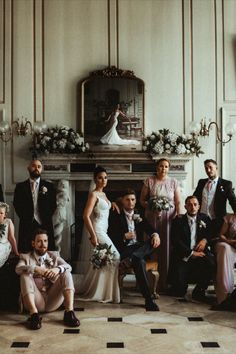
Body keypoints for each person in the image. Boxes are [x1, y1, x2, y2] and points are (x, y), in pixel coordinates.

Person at [15, 229, 80, 330]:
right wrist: (35, 268)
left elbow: (69, 266)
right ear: (33, 243)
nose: (43, 244)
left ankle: (69, 313)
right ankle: (34, 316)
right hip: (36, 301)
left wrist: (57, 269)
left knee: (66, 272)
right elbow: (18, 269)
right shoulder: (26, 257)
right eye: (39, 241)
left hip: (52, 300)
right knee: (24, 275)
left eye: (45, 241)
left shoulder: (54, 255)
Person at [109, 189, 160, 311]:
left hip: (139, 248)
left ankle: (134, 257)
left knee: (152, 242)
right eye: (127, 199)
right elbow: (109, 235)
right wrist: (123, 236)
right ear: (123, 201)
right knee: (140, 262)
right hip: (125, 249)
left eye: (133, 199)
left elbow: (149, 228)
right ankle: (148, 299)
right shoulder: (116, 215)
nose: (130, 202)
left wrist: (155, 234)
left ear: (136, 201)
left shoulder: (139, 214)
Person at [78, 166, 120, 303]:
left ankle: (103, 291)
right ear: (95, 179)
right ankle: (102, 292)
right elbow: (85, 215)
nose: (103, 180)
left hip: (104, 229)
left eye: (105, 177)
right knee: (115, 256)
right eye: (100, 177)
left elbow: (103, 206)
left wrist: (112, 203)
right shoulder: (93, 194)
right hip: (97, 230)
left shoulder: (104, 195)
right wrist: (93, 235)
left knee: (102, 261)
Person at [140, 158, 181, 291]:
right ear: (156, 167)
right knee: (151, 246)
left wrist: (177, 216)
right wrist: (152, 204)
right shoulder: (149, 181)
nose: (163, 169)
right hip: (152, 218)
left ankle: (164, 282)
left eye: (166, 167)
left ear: (169, 168)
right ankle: (147, 282)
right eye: (161, 166)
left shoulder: (174, 182)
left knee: (166, 247)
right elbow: (141, 200)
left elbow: (178, 202)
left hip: (168, 219)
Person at [168, 196, 215, 301]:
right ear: (185, 206)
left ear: (198, 206)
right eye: (189, 204)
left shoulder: (205, 218)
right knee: (179, 292)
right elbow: (175, 241)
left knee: (211, 263)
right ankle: (179, 286)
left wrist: (205, 240)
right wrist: (191, 253)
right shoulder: (178, 221)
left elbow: (211, 234)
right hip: (184, 255)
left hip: (201, 253)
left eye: (195, 204)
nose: (192, 207)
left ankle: (199, 291)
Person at [13, 159, 57, 252]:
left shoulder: (49, 186)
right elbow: (17, 204)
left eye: (39, 166)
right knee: (26, 250)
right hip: (27, 222)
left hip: (44, 222)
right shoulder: (20, 187)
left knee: (45, 250)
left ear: (41, 169)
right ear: (28, 168)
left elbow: (53, 204)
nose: (36, 168)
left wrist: (46, 216)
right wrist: (25, 217)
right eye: (33, 166)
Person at [193, 159, 236, 237]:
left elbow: (233, 201)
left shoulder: (226, 184)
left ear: (216, 168)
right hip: (201, 220)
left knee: (215, 245)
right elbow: (194, 198)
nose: (208, 170)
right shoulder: (201, 182)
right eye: (206, 168)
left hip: (218, 221)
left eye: (210, 167)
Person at [214, 214, 236, 304]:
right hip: (230, 246)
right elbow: (221, 235)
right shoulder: (230, 218)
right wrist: (229, 241)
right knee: (223, 247)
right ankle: (224, 296)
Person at [0, 202, 19, 268]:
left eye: (1, 213)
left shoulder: (8, 221)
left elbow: (12, 238)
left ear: (5, 214)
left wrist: (16, 252)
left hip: (4, 244)